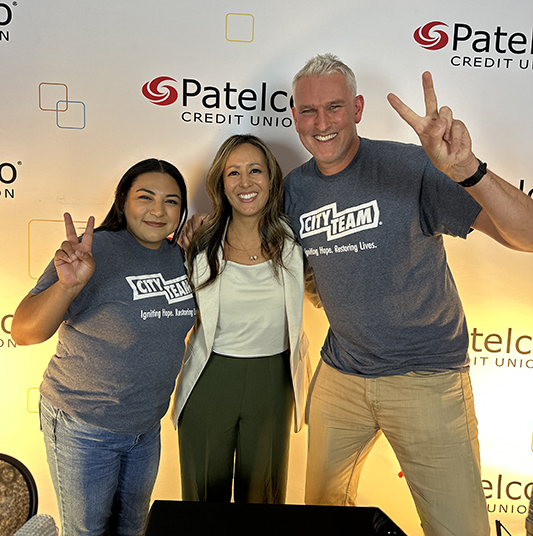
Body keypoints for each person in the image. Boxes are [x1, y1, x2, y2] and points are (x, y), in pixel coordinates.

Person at [284, 53, 533, 536]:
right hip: (342, 376)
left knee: (459, 530)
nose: (321, 124)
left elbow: (526, 236)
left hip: (427, 378)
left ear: (357, 108)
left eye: (334, 107)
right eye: (308, 111)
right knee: (322, 519)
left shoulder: (411, 166)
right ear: (294, 116)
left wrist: (468, 169)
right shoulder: (295, 189)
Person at [11, 159, 196, 536]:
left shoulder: (179, 255)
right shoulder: (94, 251)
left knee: (132, 527)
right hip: (84, 424)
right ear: (123, 200)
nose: (158, 210)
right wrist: (68, 286)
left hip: (145, 426)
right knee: (87, 531)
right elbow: (24, 332)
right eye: (145, 197)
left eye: (171, 201)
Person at [171, 134, 313, 503]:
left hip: (274, 382)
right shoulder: (198, 241)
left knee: (263, 500)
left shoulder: (296, 239)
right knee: (203, 502)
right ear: (221, 182)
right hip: (211, 378)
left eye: (255, 171)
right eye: (233, 172)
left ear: (271, 178)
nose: (245, 182)